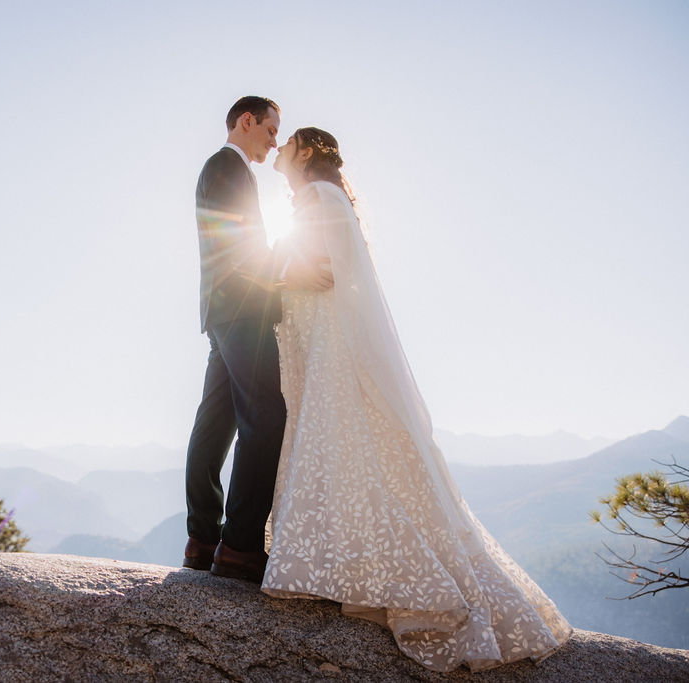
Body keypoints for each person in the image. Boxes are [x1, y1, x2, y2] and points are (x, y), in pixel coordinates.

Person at [260, 127, 573, 672]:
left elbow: (332, 272)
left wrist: (279, 274)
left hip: (332, 343)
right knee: (339, 448)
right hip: (320, 339)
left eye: (287, 141)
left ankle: (354, 570)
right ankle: (343, 565)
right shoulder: (316, 200)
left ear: (306, 152)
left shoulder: (320, 198)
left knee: (339, 442)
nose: (279, 147)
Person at [184, 97, 332, 583]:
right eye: (271, 130)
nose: (274, 141)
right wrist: (288, 276)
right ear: (246, 121)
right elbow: (238, 243)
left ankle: (203, 538)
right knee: (265, 417)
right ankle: (240, 545)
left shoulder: (227, 169)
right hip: (242, 308)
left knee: (216, 422)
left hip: (226, 309)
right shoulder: (228, 166)